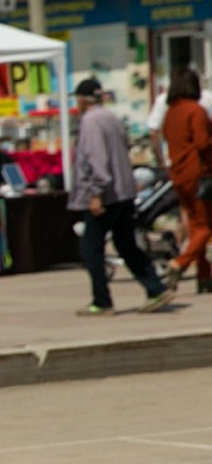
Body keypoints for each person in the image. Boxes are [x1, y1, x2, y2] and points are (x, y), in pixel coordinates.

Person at [71, 78, 174, 316]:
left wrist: (96, 192)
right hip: (123, 192)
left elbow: (96, 158)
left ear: (83, 99)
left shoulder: (91, 122)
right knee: (126, 244)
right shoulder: (112, 118)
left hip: (106, 195)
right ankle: (156, 288)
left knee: (90, 248)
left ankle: (102, 301)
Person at [159, 69, 212, 295]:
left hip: (178, 174)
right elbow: (202, 143)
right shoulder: (195, 110)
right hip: (199, 174)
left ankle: (204, 275)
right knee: (205, 227)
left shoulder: (170, 113)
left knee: (195, 225)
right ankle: (179, 263)